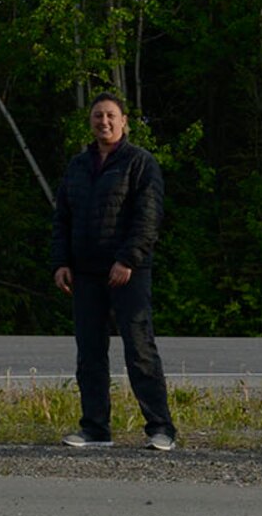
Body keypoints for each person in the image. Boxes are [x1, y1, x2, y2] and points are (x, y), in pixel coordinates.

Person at [50, 92, 177, 451]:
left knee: (139, 349)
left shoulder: (140, 163)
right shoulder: (78, 165)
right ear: (90, 123)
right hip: (84, 273)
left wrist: (128, 259)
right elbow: (62, 217)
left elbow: (148, 217)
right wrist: (61, 262)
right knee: (89, 353)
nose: (103, 122)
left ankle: (160, 427)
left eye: (110, 116)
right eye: (97, 117)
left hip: (128, 273)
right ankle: (95, 428)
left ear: (124, 122)